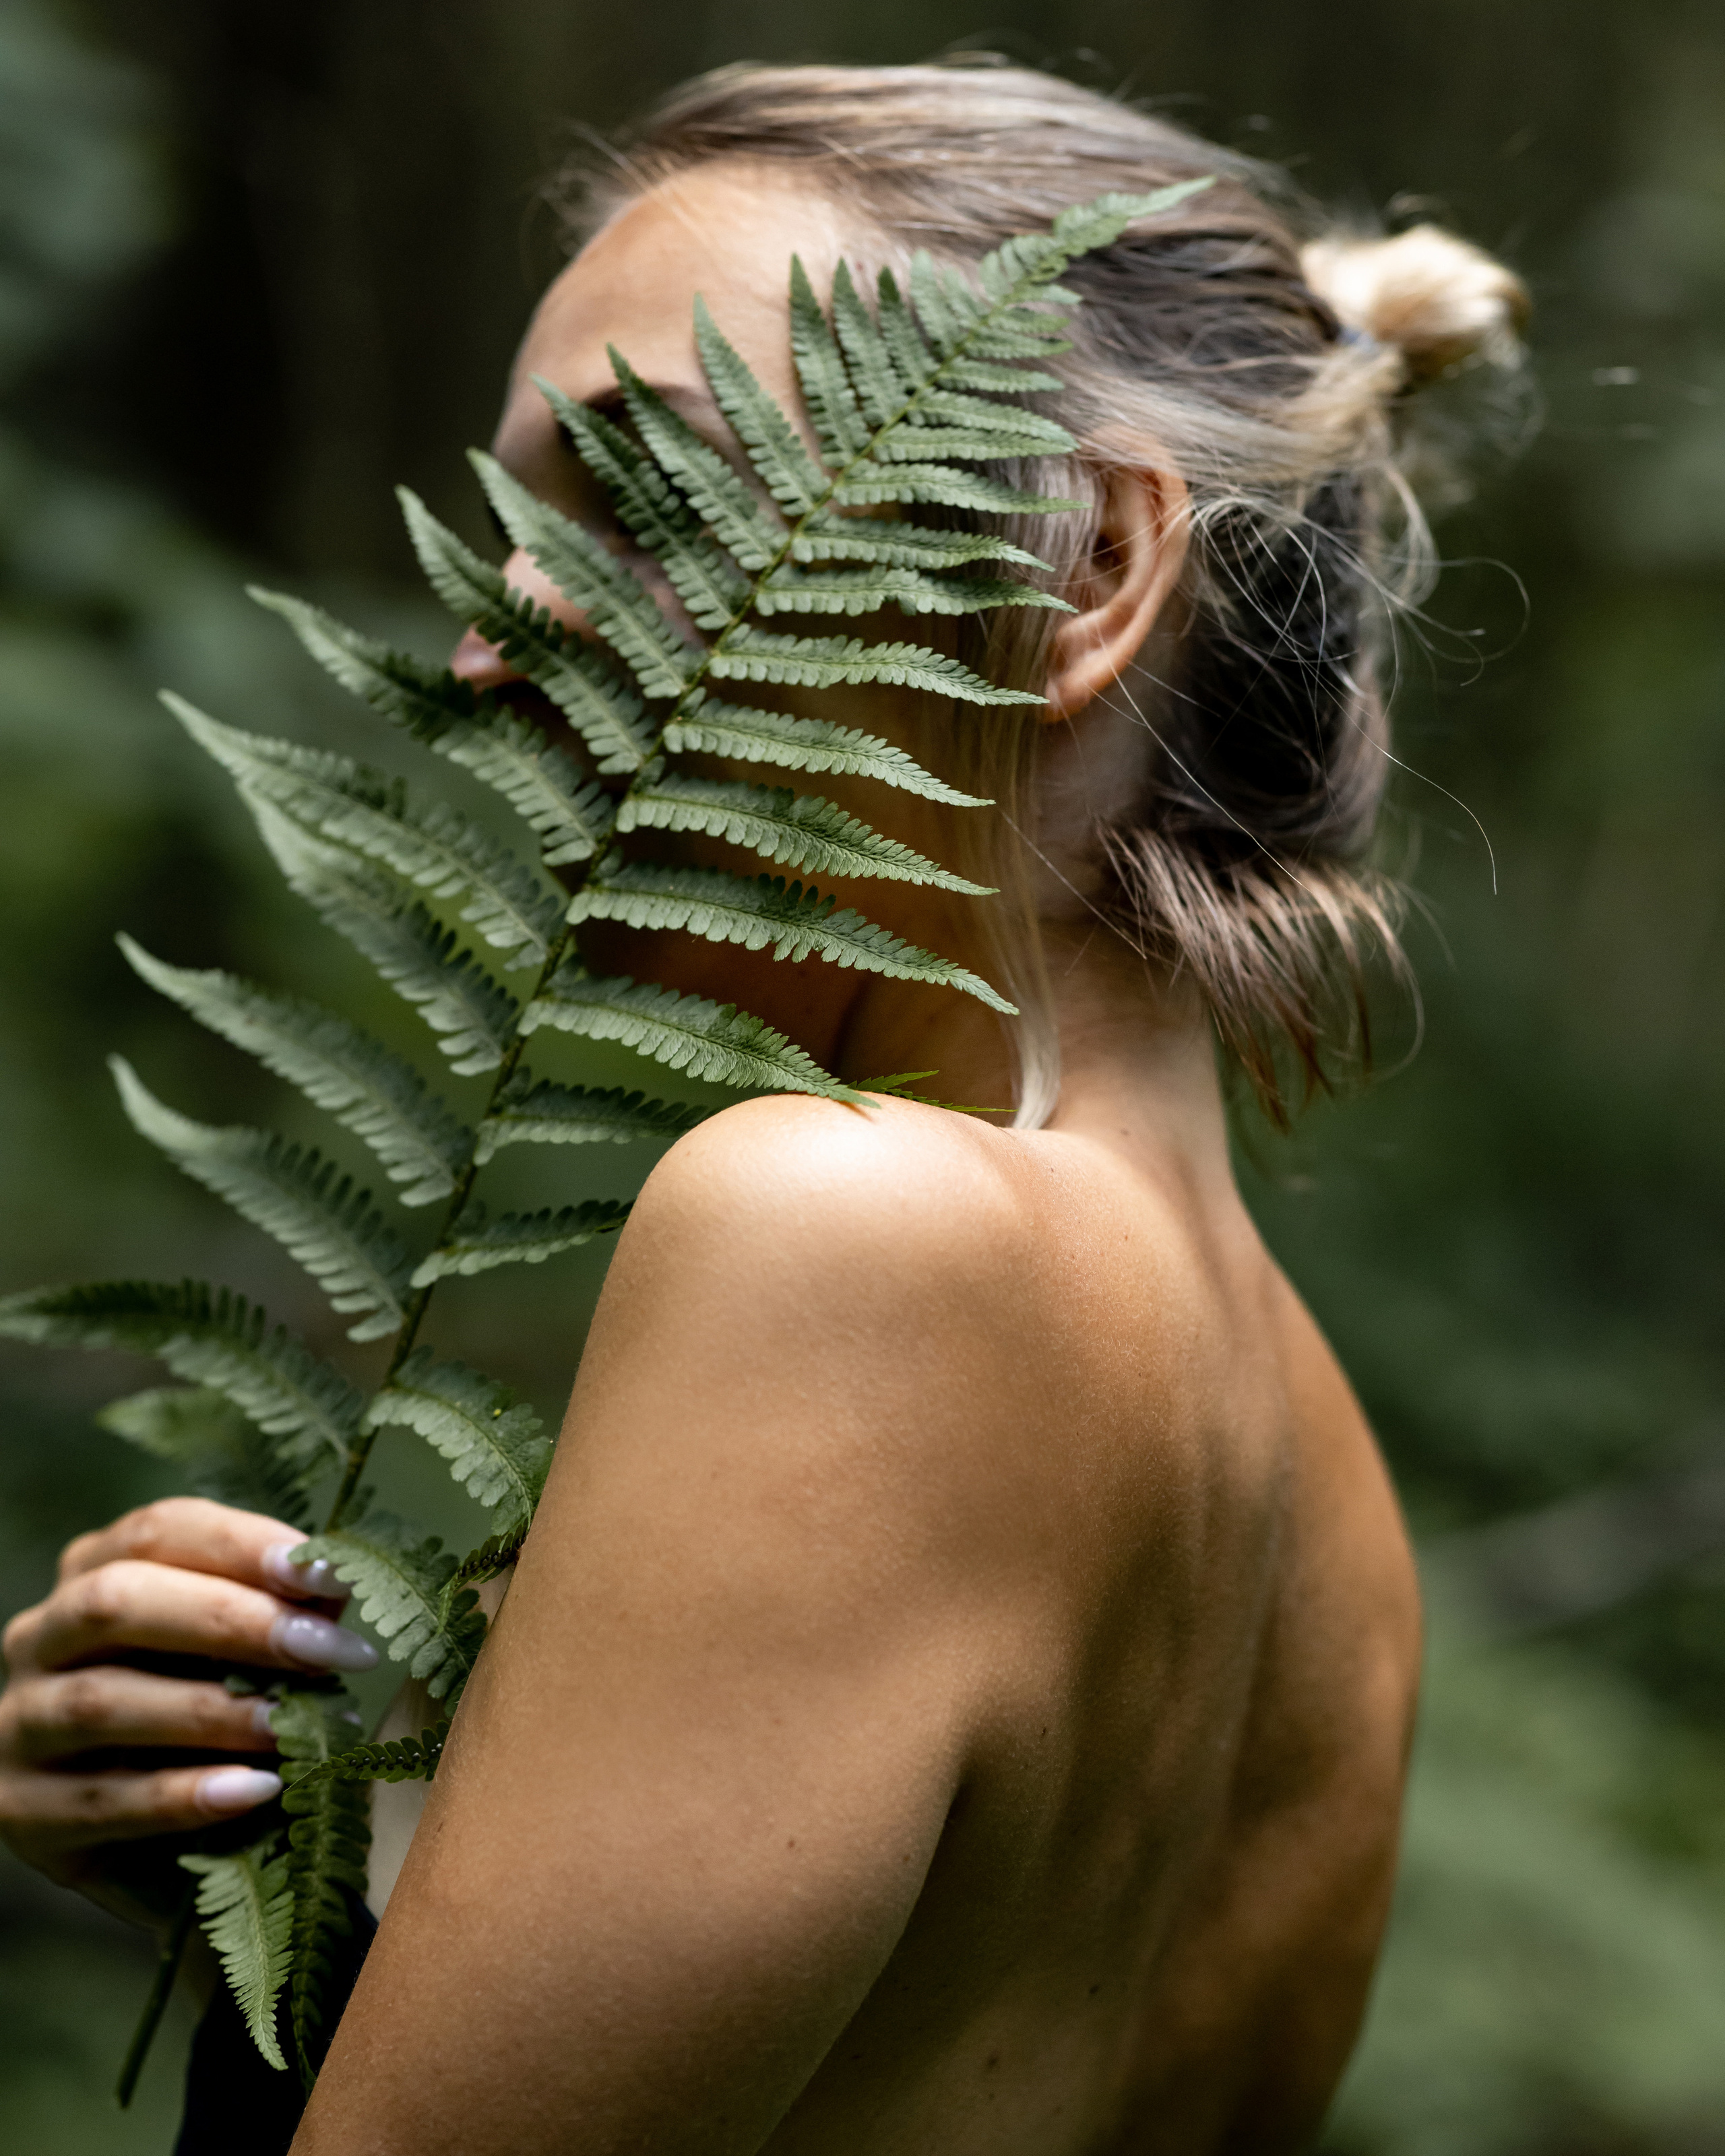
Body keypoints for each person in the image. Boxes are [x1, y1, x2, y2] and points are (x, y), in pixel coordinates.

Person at [0, 61, 1526, 2155]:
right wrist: (286, 1859)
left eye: (640, 499)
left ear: (1085, 567)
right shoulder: (1332, 1520)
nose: (482, 647)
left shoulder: (853, 1241)